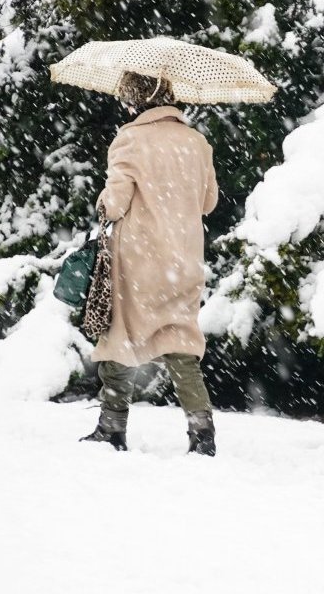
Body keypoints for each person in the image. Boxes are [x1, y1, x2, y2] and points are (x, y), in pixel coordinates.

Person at [79, 71, 219, 455]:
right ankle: (202, 432)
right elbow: (209, 203)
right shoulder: (197, 143)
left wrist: (102, 201)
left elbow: (116, 203)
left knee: (119, 339)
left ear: (135, 101)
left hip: (138, 261)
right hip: (184, 259)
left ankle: (111, 426)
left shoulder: (130, 139)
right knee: (181, 344)